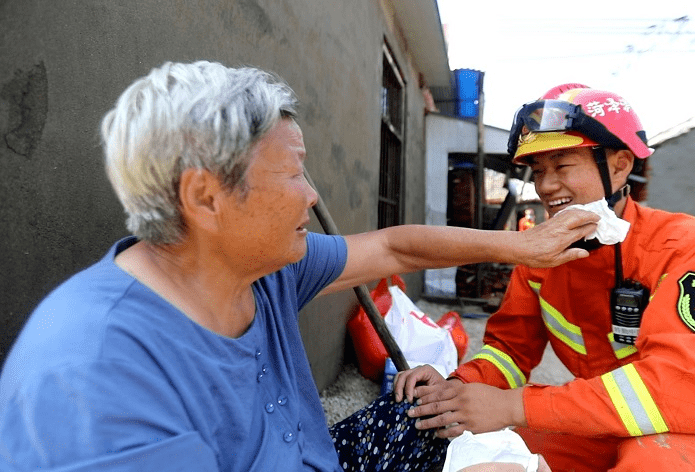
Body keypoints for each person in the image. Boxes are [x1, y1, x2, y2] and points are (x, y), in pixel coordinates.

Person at [0, 62, 600, 471]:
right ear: (205, 197)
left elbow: (395, 248)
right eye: (291, 174)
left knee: (428, 410)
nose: (311, 196)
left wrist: (524, 248)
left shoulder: (260, 266)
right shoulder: (96, 376)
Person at [395, 84, 695, 471]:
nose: (547, 186)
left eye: (562, 166)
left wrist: (512, 406)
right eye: (538, 172)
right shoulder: (539, 257)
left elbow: (682, 392)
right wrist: (458, 387)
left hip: (679, 433)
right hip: (590, 423)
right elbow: (509, 351)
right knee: (458, 441)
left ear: (620, 166)